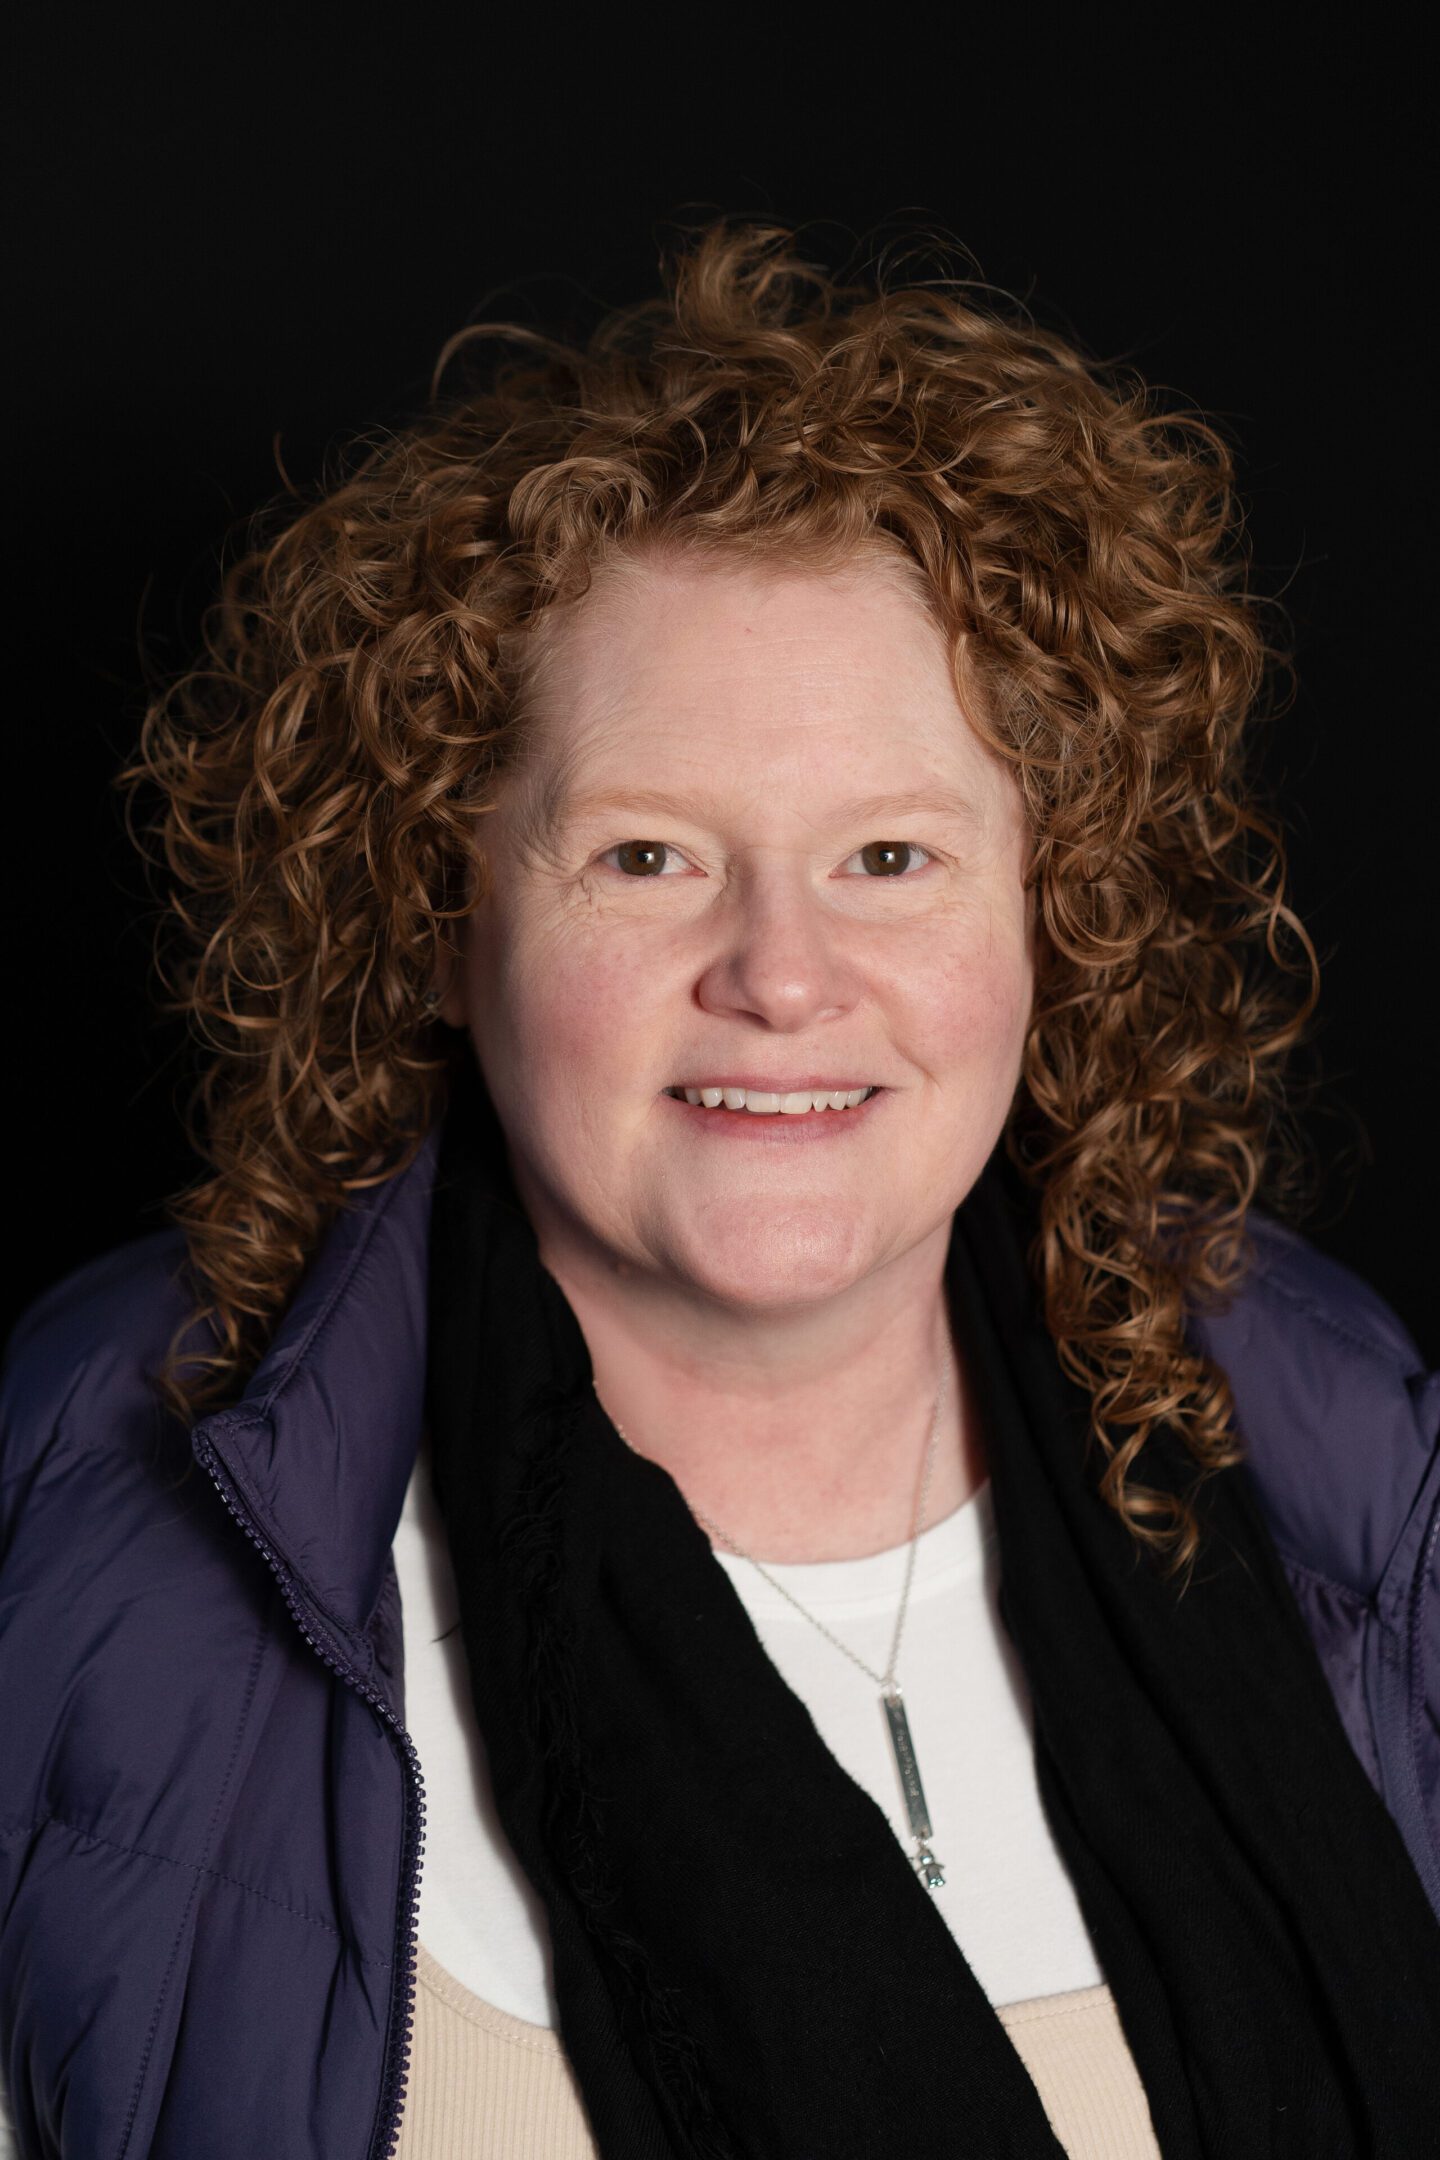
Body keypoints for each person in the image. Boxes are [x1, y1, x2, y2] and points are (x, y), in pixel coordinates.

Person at [1, 221, 1437, 2160]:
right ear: (443, 915)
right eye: (651, 856)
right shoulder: (84, 1496)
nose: (780, 972)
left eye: (893, 859)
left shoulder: (1354, 1443)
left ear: (1054, 912)